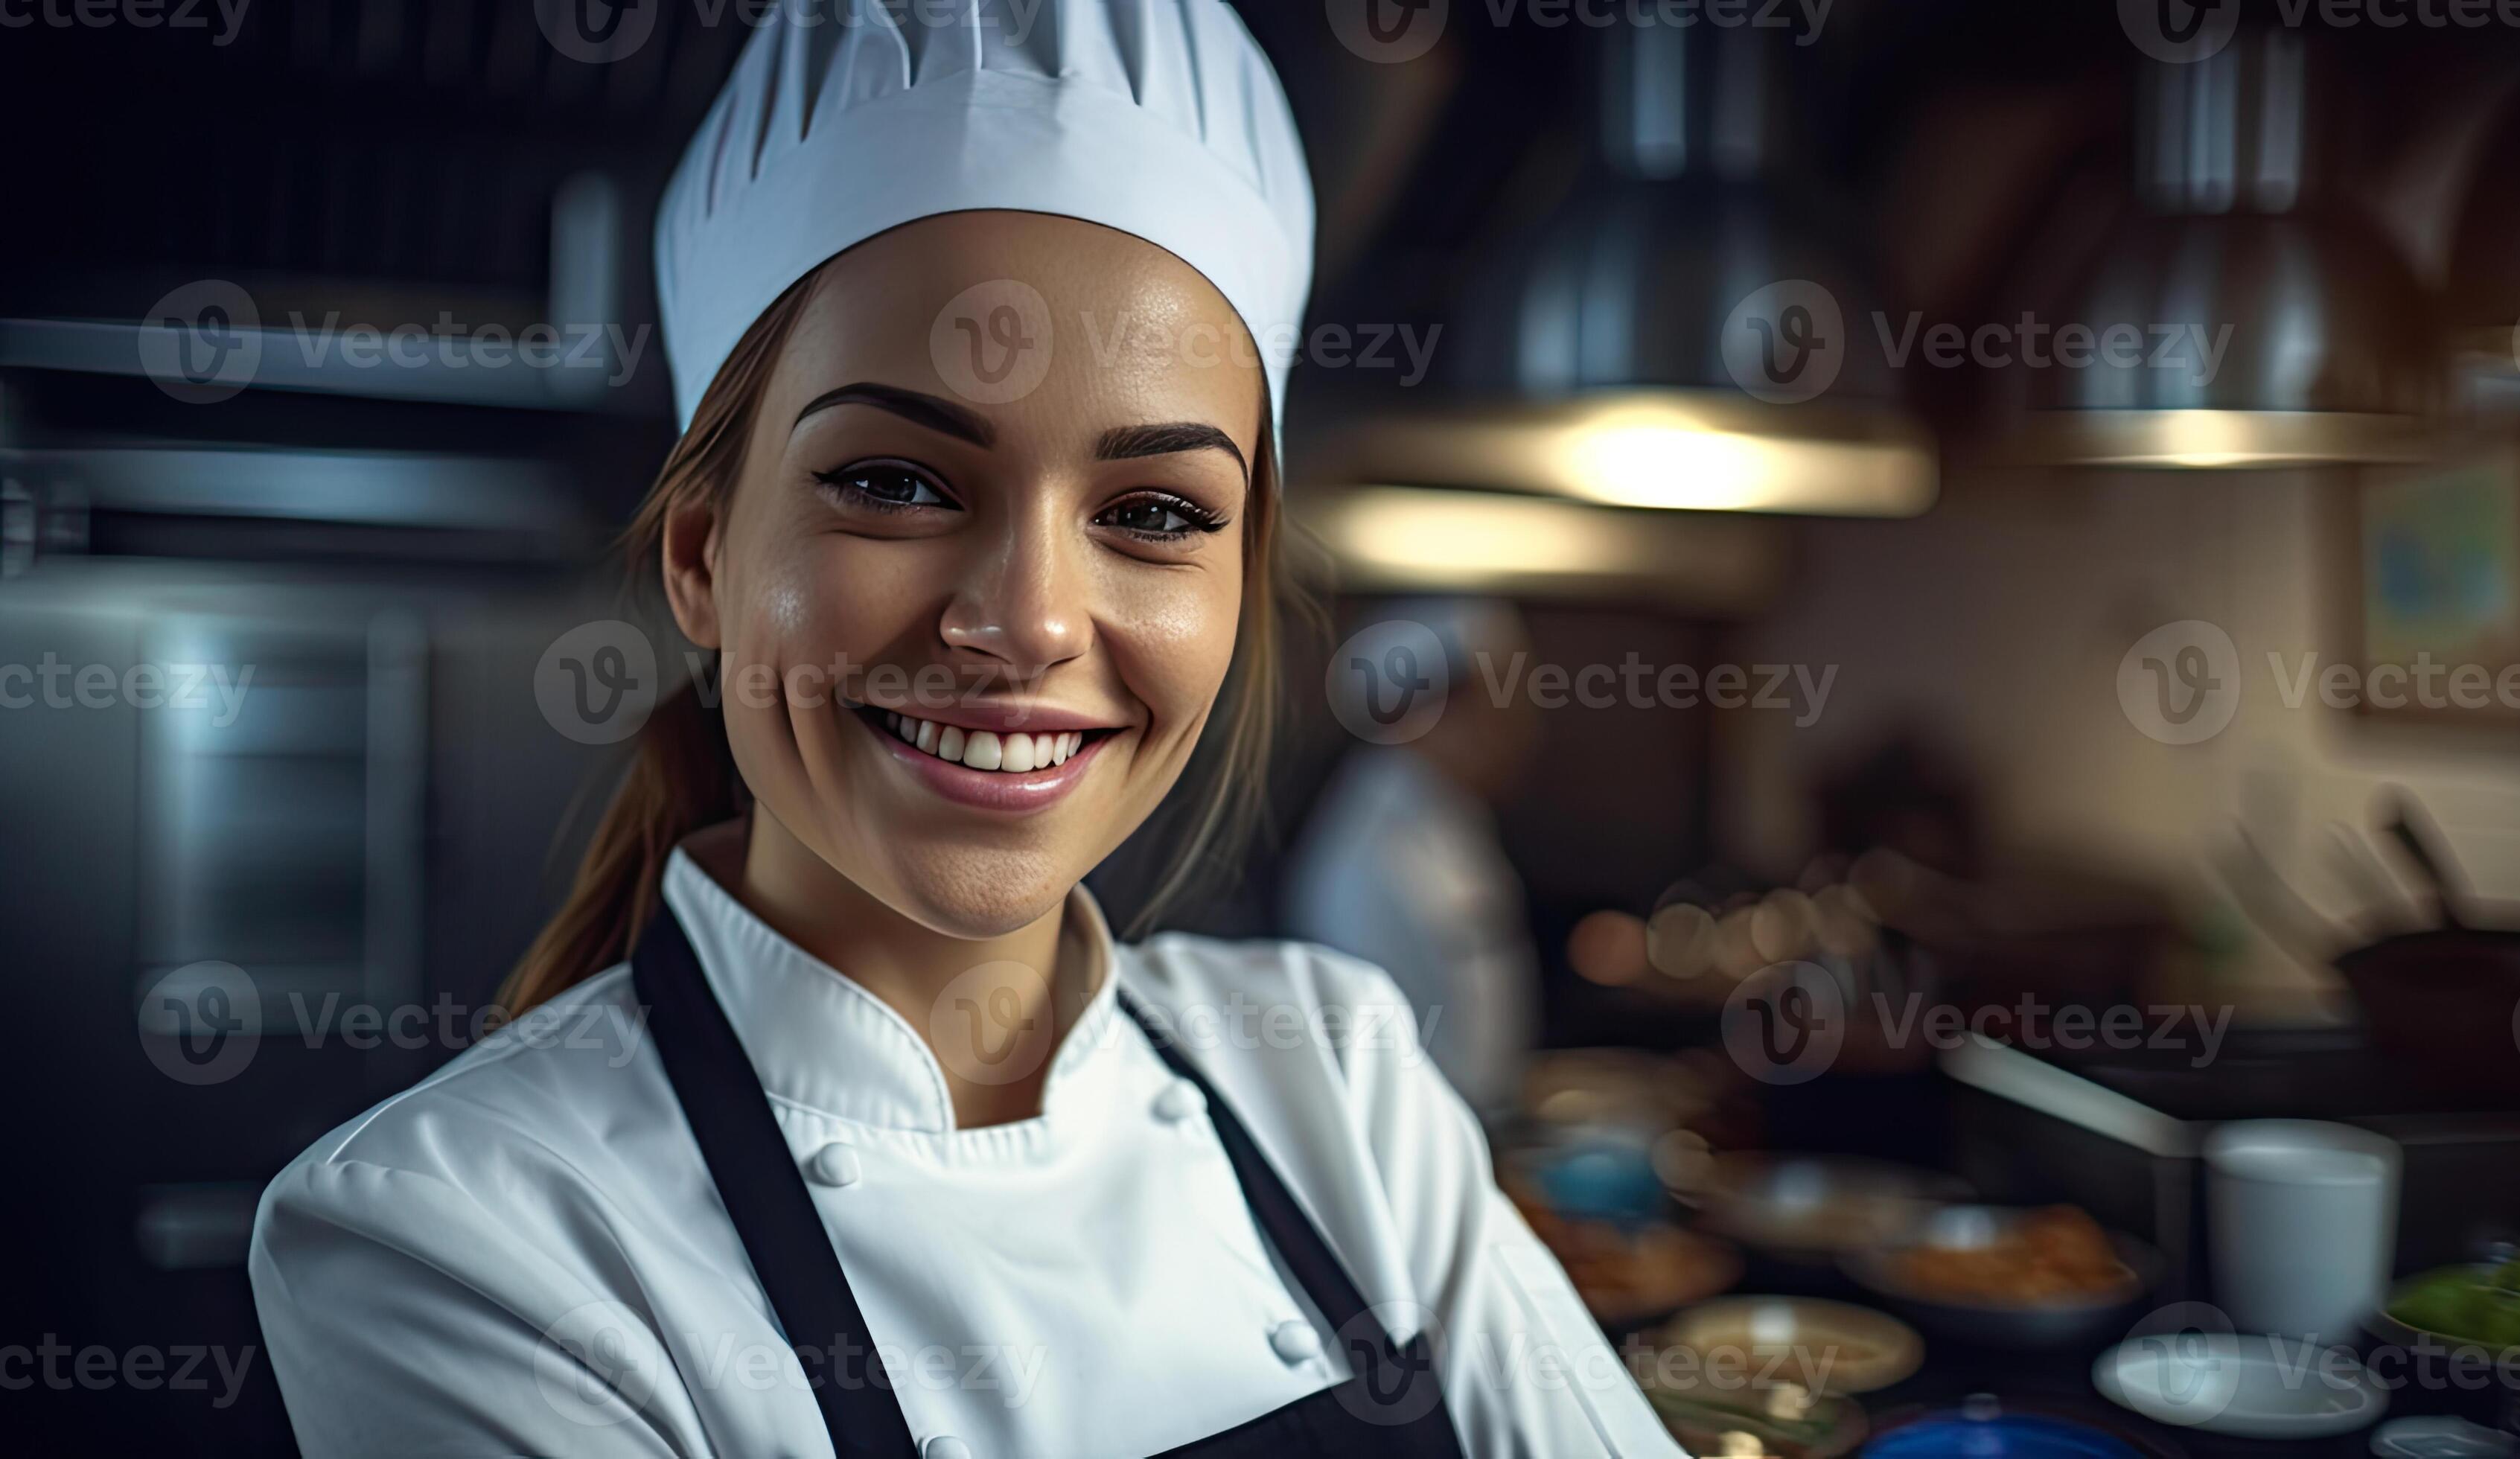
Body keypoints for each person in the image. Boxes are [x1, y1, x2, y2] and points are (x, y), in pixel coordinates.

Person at [246, 5, 1678, 1457]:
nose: (1030, 621)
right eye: (894, 482)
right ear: (701, 558)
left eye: (1153, 511)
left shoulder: (1336, 1080)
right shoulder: (463, 1239)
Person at [1286, 601, 1543, 1120]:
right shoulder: (1369, 857)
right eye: (1497, 706)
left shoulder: (1450, 820)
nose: (1521, 728)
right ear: (1426, 715)